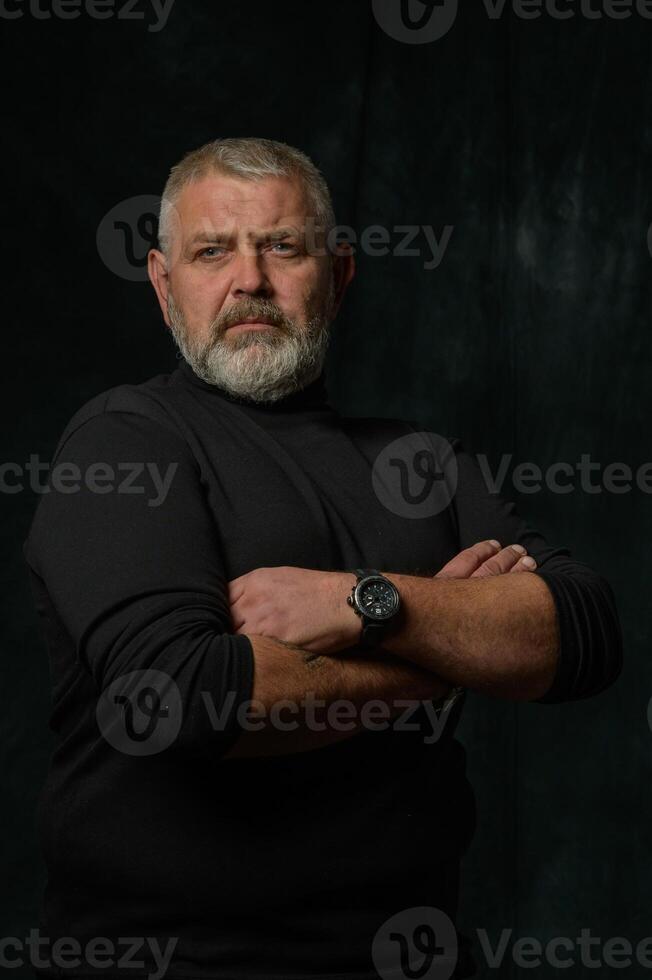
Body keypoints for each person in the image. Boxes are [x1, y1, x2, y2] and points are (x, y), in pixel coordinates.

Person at [23, 137, 622, 980]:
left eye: (283, 247)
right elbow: (182, 700)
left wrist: (366, 602)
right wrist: (443, 662)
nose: (249, 282)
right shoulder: (126, 444)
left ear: (338, 277)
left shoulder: (421, 463)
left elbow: (585, 632)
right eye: (211, 252)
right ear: (164, 288)